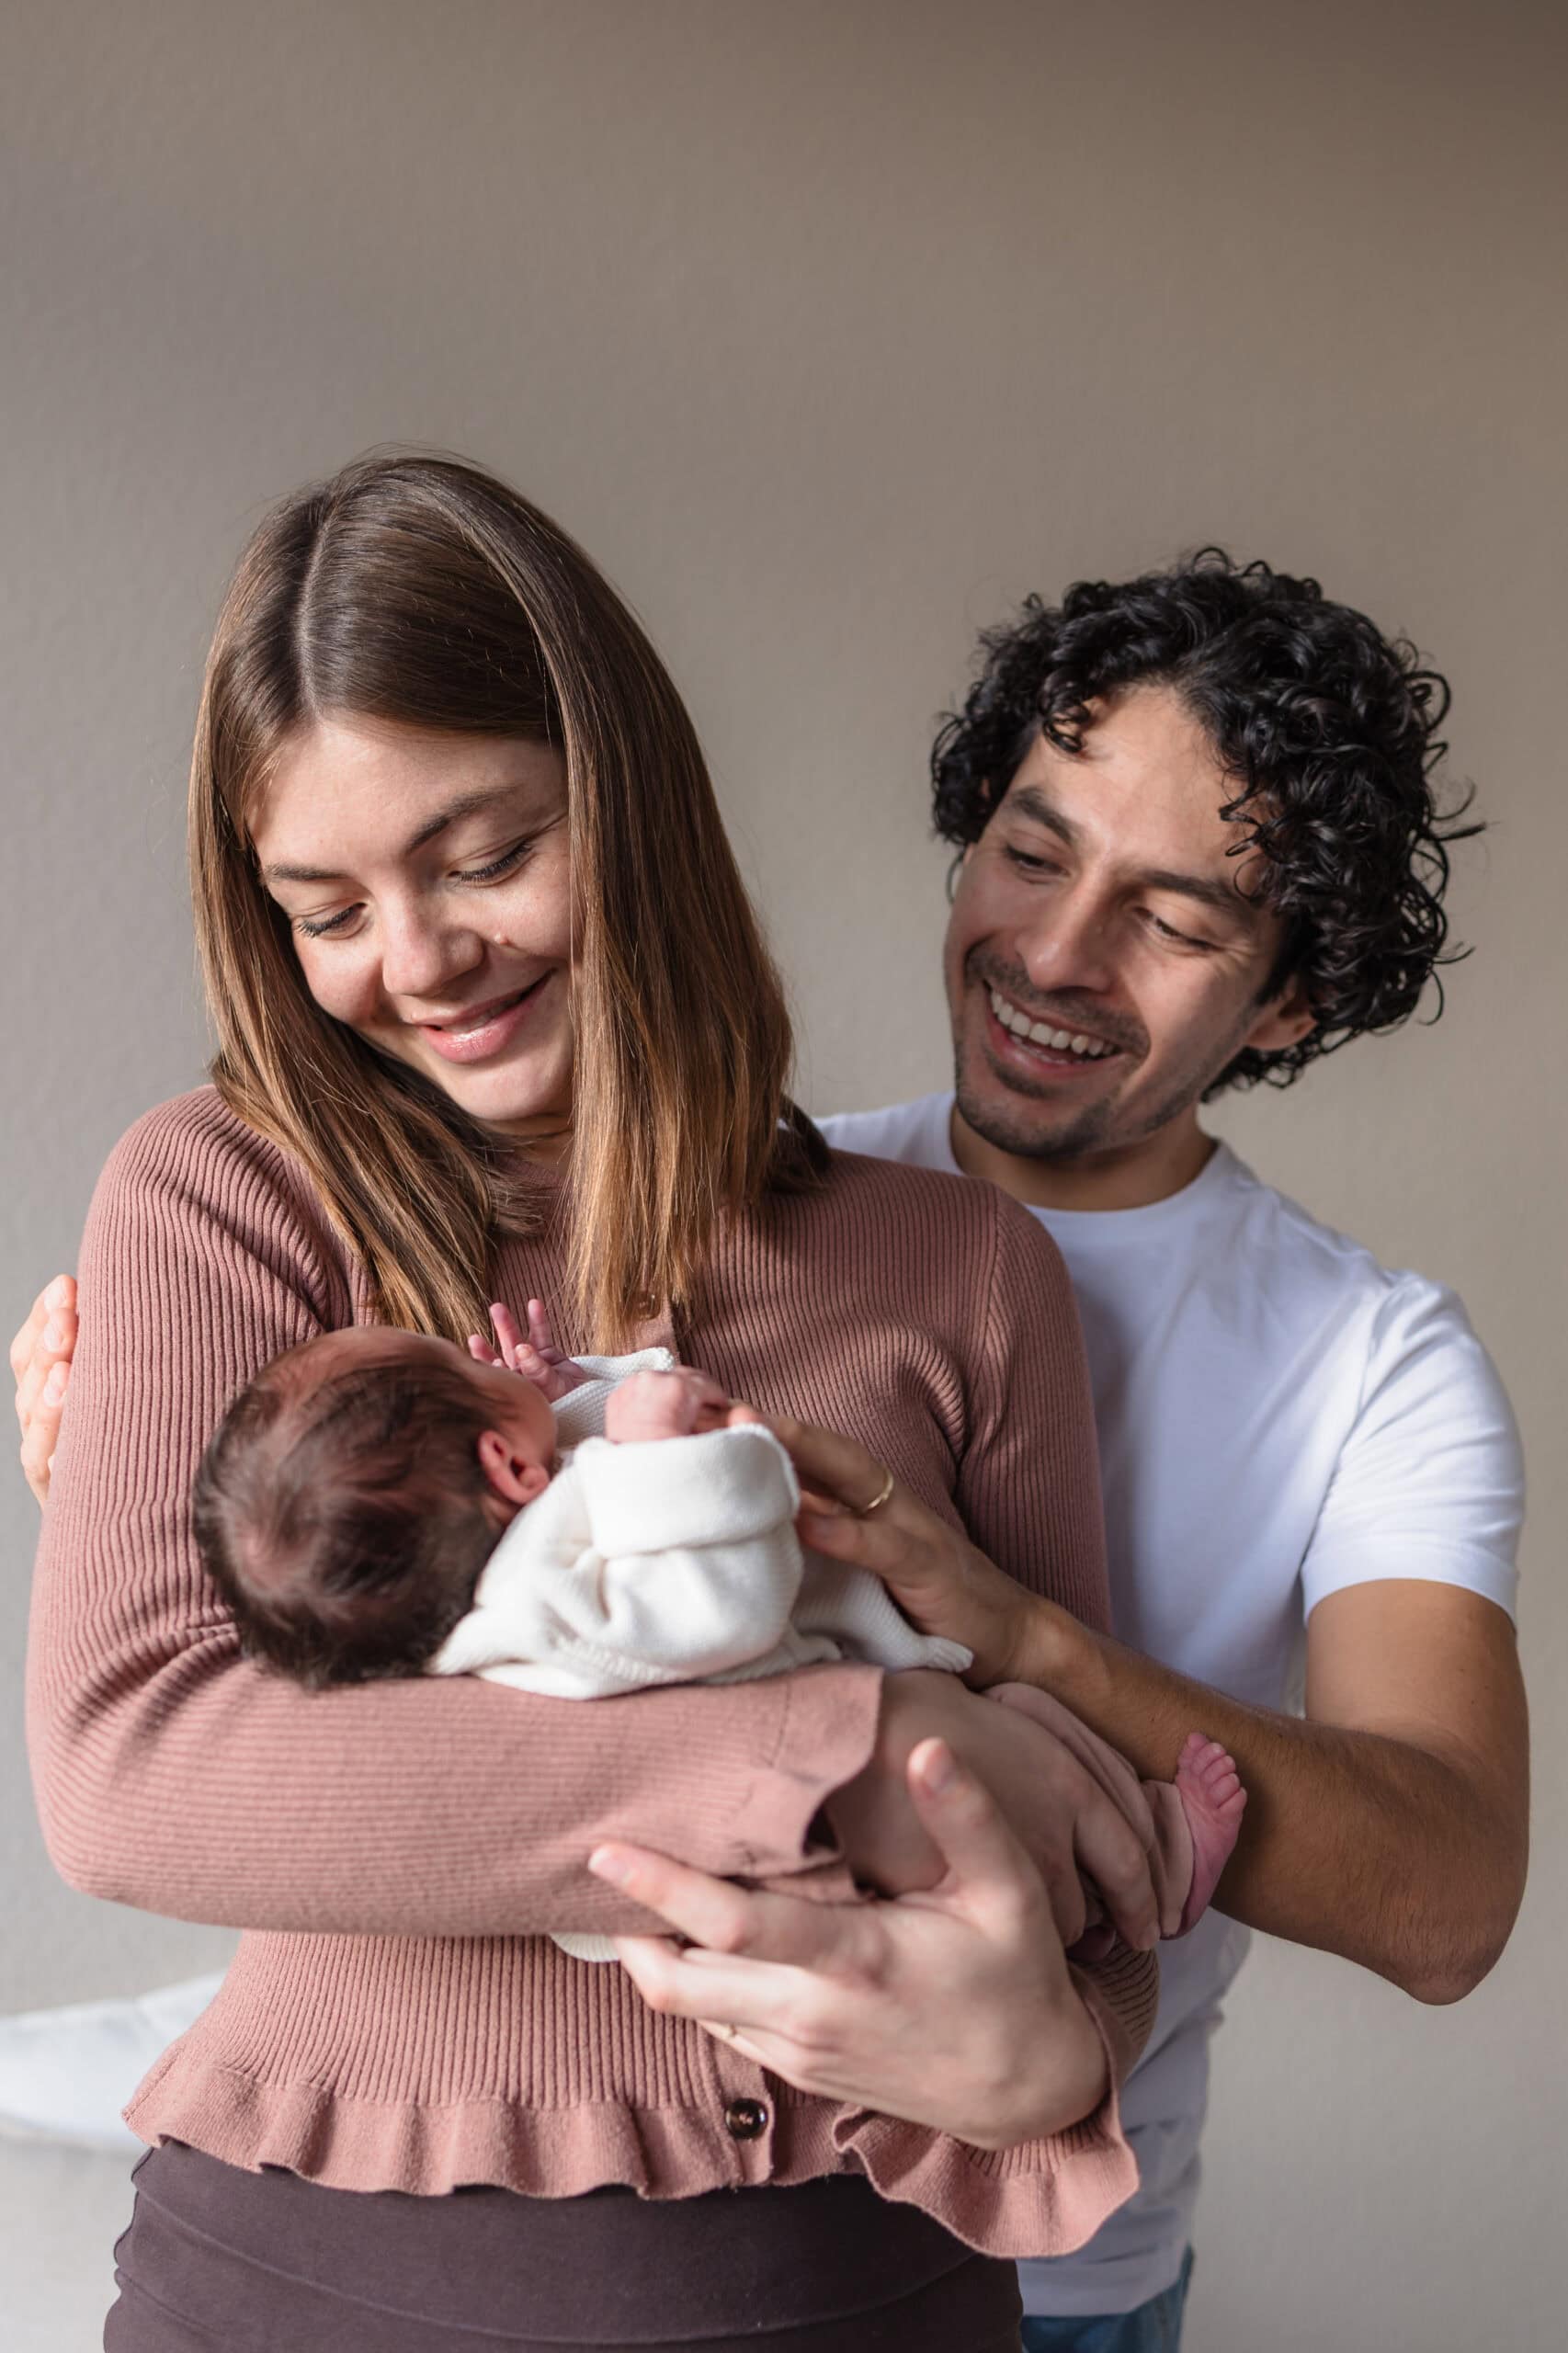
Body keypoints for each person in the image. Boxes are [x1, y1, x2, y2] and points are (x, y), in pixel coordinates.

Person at [14, 450, 1170, 2352]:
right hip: (309, 2282)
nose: (418, 955)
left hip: (851, 2285)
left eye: (481, 854)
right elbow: (137, 1768)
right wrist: (822, 1743)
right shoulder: (223, 1193)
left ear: (627, 802)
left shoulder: (962, 1266)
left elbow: (1087, 1847)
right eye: (326, 902)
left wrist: (1056, 2041)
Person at [188, 1316, 1243, 1962]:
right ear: (508, 1471)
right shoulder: (542, 1612)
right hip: (843, 1822)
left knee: (1026, 1771)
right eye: (453, 1359)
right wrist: (650, 1443)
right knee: (1033, 1721)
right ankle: (1161, 1854)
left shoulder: (477, 1590)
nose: (468, 1342)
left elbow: (586, 1484)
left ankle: (1106, 1899)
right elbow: (712, 1607)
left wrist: (555, 1395)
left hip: (831, 1803)